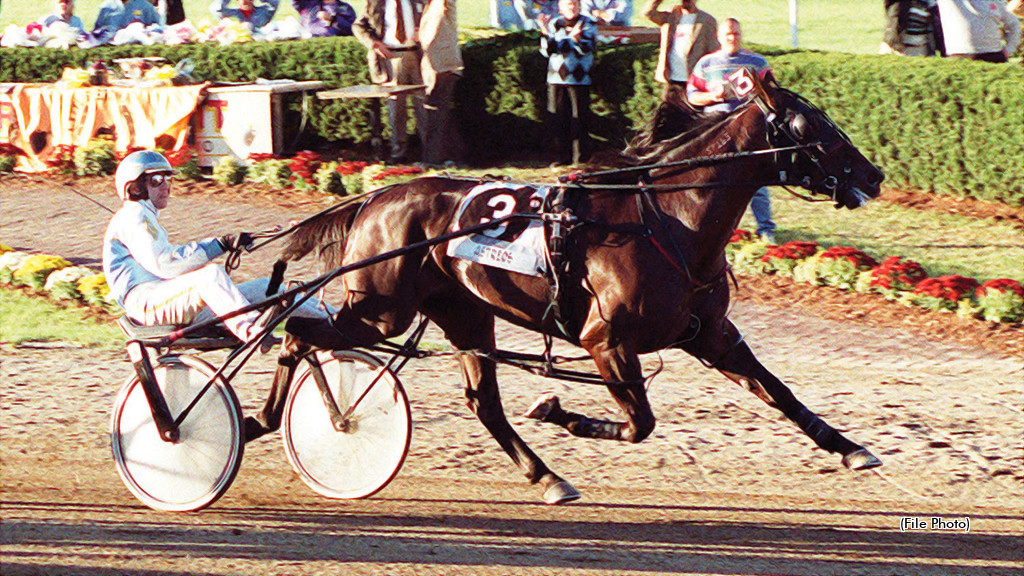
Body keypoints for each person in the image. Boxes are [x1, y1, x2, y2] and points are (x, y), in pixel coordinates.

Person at [102, 150, 330, 351]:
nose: (166, 186)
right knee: (211, 275)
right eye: (156, 180)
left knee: (266, 287)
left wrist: (229, 243)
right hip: (145, 304)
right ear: (134, 187)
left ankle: (334, 318)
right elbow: (166, 264)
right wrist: (219, 244)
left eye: (168, 179)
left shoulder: (144, 215)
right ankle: (249, 330)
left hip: (165, 298)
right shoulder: (133, 215)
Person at [687, 18, 776, 243]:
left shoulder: (756, 61)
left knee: (756, 180)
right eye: (728, 34)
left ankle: (766, 229)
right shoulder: (706, 64)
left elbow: (774, 91)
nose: (732, 38)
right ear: (718, 36)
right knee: (714, 180)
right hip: (716, 130)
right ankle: (713, 227)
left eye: (736, 33)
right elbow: (691, 96)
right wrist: (711, 96)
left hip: (749, 131)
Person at [353, 0, 426, 163]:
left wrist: (423, 30)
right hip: (390, 58)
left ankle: (430, 150)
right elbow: (358, 26)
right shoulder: (375, 3)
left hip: (416, 55)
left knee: (424, 105)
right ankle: (398, 152)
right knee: (395, 107)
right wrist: (374, 44)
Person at [539, 0, 598, 166]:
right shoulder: (554, 23)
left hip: (579, 79)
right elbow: (547, 51)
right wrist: (546, 32)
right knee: (557, 119)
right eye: (567, 4)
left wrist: (573, 41)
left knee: (579, 119)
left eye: (574, 4)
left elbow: (585, 48)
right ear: (560, 7)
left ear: (579, 6)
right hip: (555, 79)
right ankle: (560, 157)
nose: (571, 8)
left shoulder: (588, 23)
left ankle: (581, 158)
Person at [644, 0, 719, 105]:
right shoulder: (671, 16)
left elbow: (714, 52)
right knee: (667, 117)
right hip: (671, 80)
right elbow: (648, 13)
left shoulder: (707, 20)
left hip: (694, 82)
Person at [419, 0, 465, 166]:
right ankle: (454, 156)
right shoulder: (429, 6)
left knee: (436, 113)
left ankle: (433, 159)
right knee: (442, 113)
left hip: (444, 66)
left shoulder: (440, 5)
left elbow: (435, 26)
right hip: (438, 66)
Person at [937, 0, 1021, 62]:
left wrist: (1008, 50)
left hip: (993, 56)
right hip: (960, 57)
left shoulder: (996, 1)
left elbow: (1014, 25)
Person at [91, 0, 162, 44]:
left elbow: (156, 26)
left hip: (139, 48)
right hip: (113, 47)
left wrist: (148, 32)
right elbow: (97, 31)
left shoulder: (144, 5)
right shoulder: (107, 6)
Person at [291, 0, 357, 37]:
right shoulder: (308, 4)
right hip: (309, 39)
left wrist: (333, 19)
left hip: (332, 42)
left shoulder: (345, 8)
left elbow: (352, 29)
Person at [213, 0, 280, 31]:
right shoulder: (232, 14)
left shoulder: (263, 13)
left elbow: (275, 2)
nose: (245, 2)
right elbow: (215, 8)